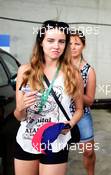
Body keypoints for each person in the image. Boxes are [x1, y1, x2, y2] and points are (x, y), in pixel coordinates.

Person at [14, 20, 83, 175]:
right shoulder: (25, 71)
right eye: (50, 40)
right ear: (41, 42)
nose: (56, 46)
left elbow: (79, 109)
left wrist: (69, 125)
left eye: (61, 41)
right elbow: (19, 116)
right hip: (26, 139)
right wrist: (21, 107)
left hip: (56, 141)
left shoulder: (73, 73)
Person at [69, 30, 96, 175]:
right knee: (56, 151)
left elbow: (90, 100)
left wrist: (74, 92)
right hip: (60, 113)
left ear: (83, 46)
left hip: (82, 114)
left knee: (89, 152)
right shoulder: (58, 67)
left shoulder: (88, 70)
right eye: (70, 43)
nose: (73, 47)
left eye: (77, 44)